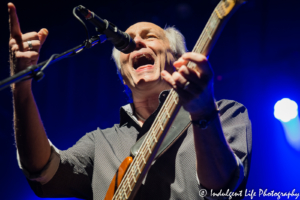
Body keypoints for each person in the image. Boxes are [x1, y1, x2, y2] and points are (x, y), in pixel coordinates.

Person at [8, 2, 252, 200]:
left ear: (177, 59)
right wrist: (21, 85)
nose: (136, 43)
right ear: (122, 76)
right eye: (128, 41)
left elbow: (222, 190)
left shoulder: (224, 113)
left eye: (150, 37)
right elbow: (42, 171)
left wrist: (203, 114)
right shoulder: (99, 143)